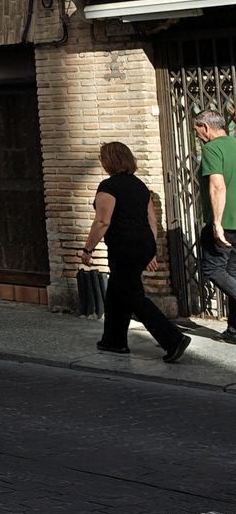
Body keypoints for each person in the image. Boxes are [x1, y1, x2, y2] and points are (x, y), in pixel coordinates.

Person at [81, 141, 190, 362]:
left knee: (132, 295)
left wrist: (87, 248)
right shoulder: (140, 186)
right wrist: (151, 251)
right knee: (116, 291)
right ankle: (113, 341)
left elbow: (102, 221)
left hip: (124, 247)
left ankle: (173, 339)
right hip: (143, 244)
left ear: (108, 161)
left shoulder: (108, 187)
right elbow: (152, 221)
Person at [195, 111, 236, 339]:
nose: (197, 135)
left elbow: (217, 186)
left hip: (226, 223)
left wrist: (217, 223)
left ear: (206, 127)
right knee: (232, 273)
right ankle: (234, 330)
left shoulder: (212, 149)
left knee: (213, 269)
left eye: (196, 130)